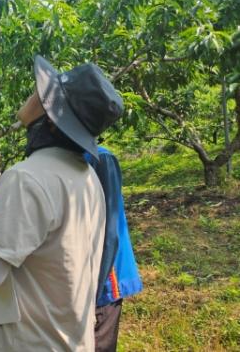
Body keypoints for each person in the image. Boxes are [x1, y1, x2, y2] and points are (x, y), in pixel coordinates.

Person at [0, 56, 123, 351]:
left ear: (53, 118)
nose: (35, 93)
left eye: (44, 93)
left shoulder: (25, 177)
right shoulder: (86, 178)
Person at [85, 146, 143, 352]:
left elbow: (109, 229)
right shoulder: (63, 156)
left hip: (104, 278)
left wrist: (94, 292)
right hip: (80, 276)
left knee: (98, 342)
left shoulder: (99, 158)